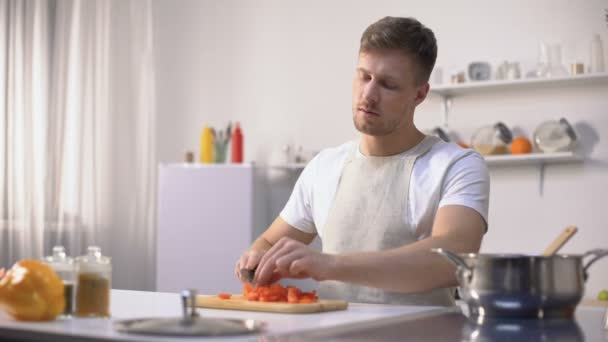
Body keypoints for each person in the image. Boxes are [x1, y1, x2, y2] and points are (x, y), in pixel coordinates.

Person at [235, 16, 489, 306]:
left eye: (388, 84)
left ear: (419, 94)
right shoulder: (324, 167)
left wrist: (331, 265)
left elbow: (454, 256)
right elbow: (268, 243)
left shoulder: (457, 165)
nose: (368, 95)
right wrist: (256, 259)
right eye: (364, 76)